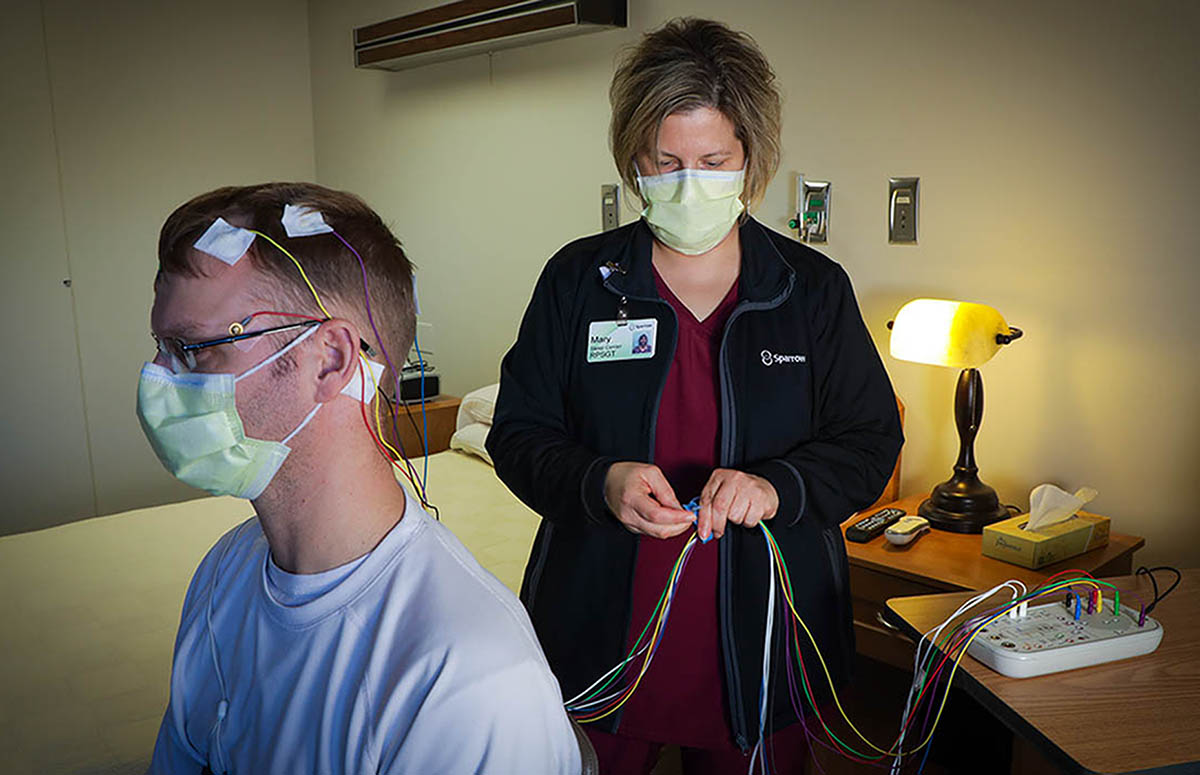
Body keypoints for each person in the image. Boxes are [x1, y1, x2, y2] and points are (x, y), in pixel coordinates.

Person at [488, 18, 903, 774]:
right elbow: (518, 433)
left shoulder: (809, 291)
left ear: (750, 161)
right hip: (601, 636)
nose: (688, 183)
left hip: (763, 643)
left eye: (713, 161)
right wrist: (598, 478)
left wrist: (779, 486)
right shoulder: (580, 282)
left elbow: (871, 440)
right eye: (665, 161)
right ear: (634, 160)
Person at [140, 182, 580, 774]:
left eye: (192, 349)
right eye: (160, 347)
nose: (158, 378)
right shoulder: (225, 574)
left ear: (330, 359)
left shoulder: (468, 679)